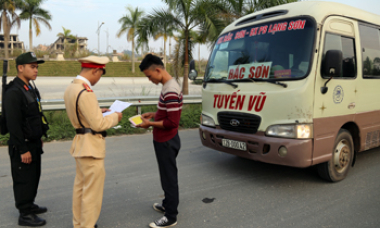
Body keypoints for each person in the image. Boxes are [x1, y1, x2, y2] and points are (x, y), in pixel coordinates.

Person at [63, 56, 122, 228]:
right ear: (95, 70)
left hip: (80, 144)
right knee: (91, 195)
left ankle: (79, 224)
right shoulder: (86, 91)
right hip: (91, 147)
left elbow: (82, 115)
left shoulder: (72, 87)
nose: (98, 79)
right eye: (100, 74)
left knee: (80, 190)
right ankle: (87, 225)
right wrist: (114, 117)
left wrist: (98, 111)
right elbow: (98, 124)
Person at [3, 52, 49, 226]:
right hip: (23, 145)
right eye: (32, 66)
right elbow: (14, 125)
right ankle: (24, 213)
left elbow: (34, 115)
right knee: (24, 179)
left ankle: (30, 204)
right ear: (20, 68)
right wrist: (22, 148)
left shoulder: (28, 88)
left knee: (33, 176)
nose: (36, 70)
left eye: (36, 67)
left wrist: (39, 135)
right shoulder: (14, 92)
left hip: (33, 142)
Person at [137, 54, 183, 228]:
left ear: (158, 70)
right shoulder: (168, 86)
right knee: (166, 175)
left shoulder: (170, 89)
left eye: (149, 76)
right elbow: (168, 113)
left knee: (169, 177)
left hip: (167, 140)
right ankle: (167, 204)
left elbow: (172, 122)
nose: (149, 80)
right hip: (164, 139)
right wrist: (154, 115)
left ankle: (171, 216)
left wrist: (149, 124)